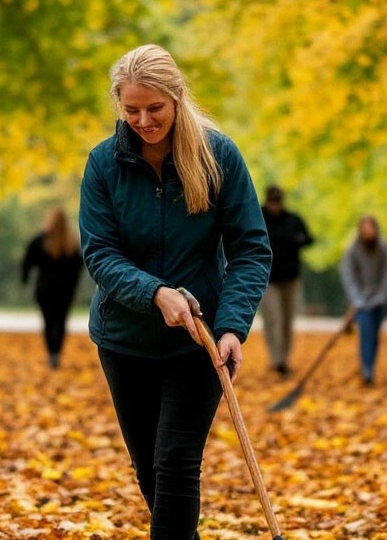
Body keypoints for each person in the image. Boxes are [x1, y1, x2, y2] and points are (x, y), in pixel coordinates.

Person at [79, 44, 271, 539]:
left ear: (177, 97)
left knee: (178, 464)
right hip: (125, 341)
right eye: (131, 110)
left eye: (155, 108)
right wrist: (155, 293)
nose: (144, 121)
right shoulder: (103, 164)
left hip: (198, 341)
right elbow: (100, 253)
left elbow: (251, 249)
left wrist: (232, 327)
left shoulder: (219, 156)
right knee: (151, 472)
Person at [260, 185, 313, 376]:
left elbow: (309, 239)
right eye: (272, 201)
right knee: (273, 319)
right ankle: (276, 359)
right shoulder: (258, 218)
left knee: (287, 321)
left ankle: (284, 358)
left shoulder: (293, 220)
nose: (274, 205)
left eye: (277, 201)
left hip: (290, 279)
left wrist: (297, 240)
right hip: (267, 279)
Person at [22, 207, 84, 369]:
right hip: (65, 291)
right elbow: (78, 268)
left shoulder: (40, 240)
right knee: (61, 322)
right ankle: (57, 353)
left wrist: (25, 278)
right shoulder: (72, 243)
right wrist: (73, 286)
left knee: (48, 322)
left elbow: (27, 260)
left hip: (44, 289)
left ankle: (51, 353)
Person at [339, 215, 387, 387]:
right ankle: (367, 370)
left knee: (374, 335)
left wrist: (381, 296)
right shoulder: (352, 249)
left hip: (379, 300)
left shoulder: (383, 247)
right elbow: (349, 276)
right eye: (365, 228)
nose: (368, 232)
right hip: (360, 302)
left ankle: (369, 367)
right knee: (366, 333)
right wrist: (357, 299)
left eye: (371, 228)